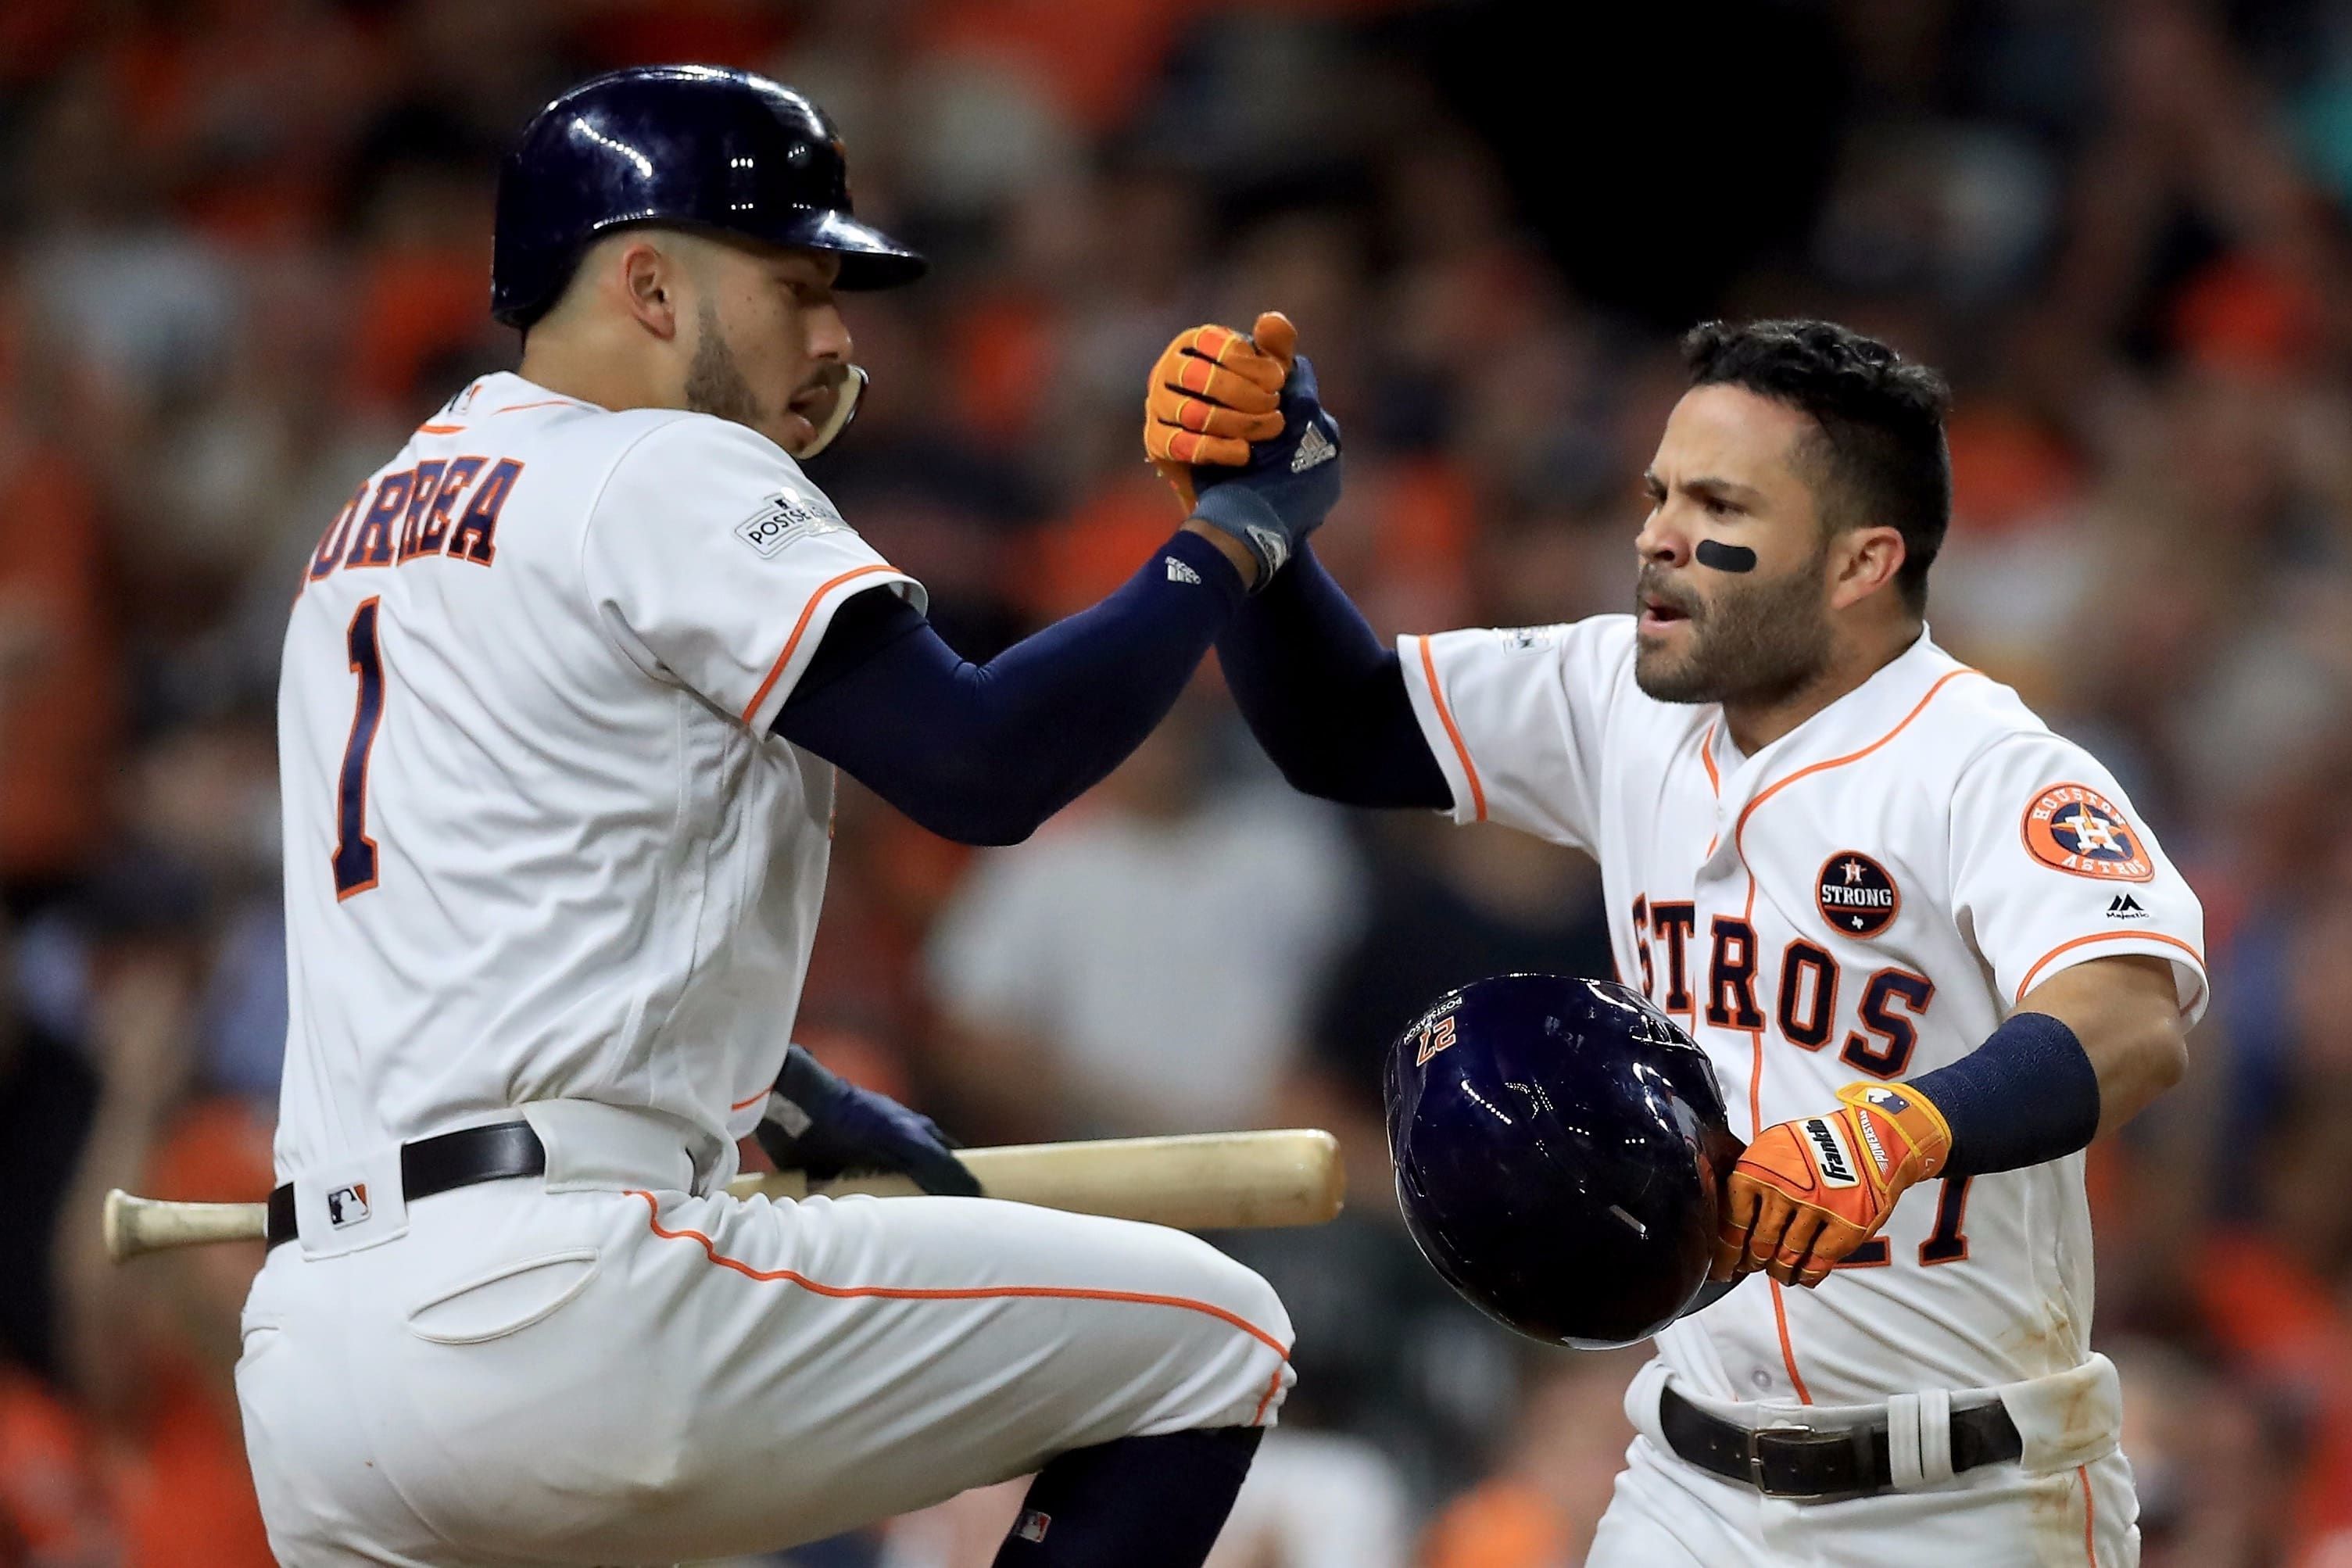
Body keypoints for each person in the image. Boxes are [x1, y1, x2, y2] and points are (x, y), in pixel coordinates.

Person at [237, 65, 1345, 1567]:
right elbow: (980, 765)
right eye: (793, 281)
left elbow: (522, 918)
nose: (833, 332)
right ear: (646, 281)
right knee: (1212, 1335)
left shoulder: (370, 524)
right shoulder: (656, 461)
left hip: (316, 1360)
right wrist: (1232, 544)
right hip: (560, 1302)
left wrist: (790, 1096)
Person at [1169, 317, 2207, 1563]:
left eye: (1716, 502)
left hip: (1967, 1496)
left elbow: (2131, 1015)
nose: (1656, 532)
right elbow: (1337, 725)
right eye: (1657, 491)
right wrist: (1251, 517)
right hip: (1690, 1481)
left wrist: (1900, 1128)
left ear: (1858, 562)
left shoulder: (1981, 765)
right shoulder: (1622, 694)